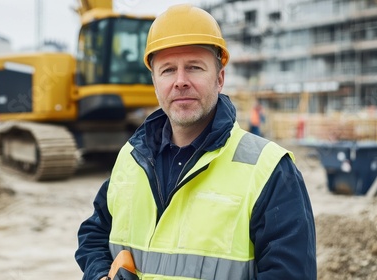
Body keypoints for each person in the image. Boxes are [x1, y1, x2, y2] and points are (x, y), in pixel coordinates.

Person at [75, 4, 316, 280]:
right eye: (167, 70)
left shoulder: (270, 171)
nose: (180, 82)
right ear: (154, 82)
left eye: (194, 67)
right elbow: (93, 234)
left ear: (220, 79)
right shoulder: (131, 157)